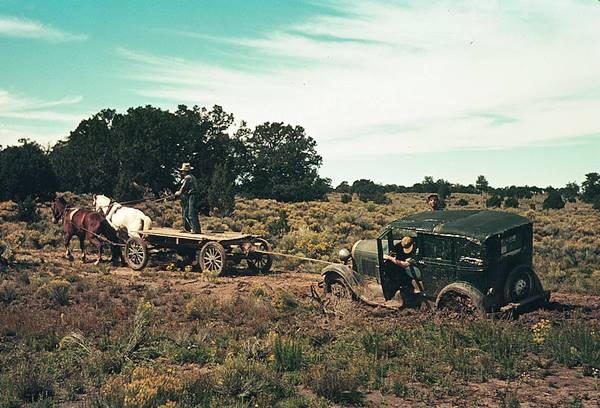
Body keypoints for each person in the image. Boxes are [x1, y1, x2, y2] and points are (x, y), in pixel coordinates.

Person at [175, 163, 201, 234]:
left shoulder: (188, 178)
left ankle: (196, 230)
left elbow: (183, 189)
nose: (182, 172)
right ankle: (187, 228)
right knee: (186, 212)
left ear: (185, 171)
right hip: (190, 196)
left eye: (182, 171)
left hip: (192, 196)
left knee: (191, 213)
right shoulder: (191, 177)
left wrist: (177, 193)